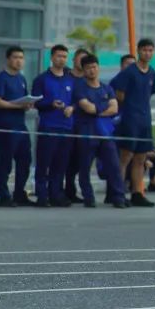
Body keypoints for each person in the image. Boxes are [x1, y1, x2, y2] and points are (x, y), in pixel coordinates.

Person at [73, 55, 127, 209]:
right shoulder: (79, 88)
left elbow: (114, 108)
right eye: (89, 68)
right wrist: (104, 109)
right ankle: (88, 197)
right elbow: (87, 108)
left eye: (95, 67)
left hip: (105, 133)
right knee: (85, 167)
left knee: (114, 166)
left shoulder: (106, 88)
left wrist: (98, 110)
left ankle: (118, 197)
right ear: (83, 70)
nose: (92, 70)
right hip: (87, 133)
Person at [111, 38, 155, 207]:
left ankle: (137, 192)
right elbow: (119, 94)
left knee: (141, 157)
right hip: (130, 119)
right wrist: (131, 108)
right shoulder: (129, 72)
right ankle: (118, 192)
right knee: (126, 156)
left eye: (150, 50)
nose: (147, 53)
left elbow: (149, 93)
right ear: (138, 51)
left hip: (145, 120)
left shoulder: (152, 73)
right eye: (144, 50)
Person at [32, 45, 76, 207]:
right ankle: (42, 195)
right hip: (49, 126)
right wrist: (50, 104)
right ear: (51, 57)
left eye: (64, 56)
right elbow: (35, 102)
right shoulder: (42, 79)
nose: (62, 59)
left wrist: (72, 108)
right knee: (44, 162)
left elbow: (77, 100)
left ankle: (56, 194)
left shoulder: (70, 79)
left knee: (60, 164)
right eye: (59, 56)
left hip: (67, 127)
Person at [0, 47, 36, 207]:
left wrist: (28, 104)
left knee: (25, 159)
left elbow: (22, 99)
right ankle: (4, 196)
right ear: (8, 59)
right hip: (6, 124)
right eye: (16, 57)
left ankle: (19, 193)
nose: (19, 61)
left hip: (20, 124)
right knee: (6, 161)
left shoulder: (21, 78)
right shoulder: (1, 78)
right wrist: (17, 106)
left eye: (21, 58)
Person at [62, 48, 89, 204]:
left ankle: (71, 190)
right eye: (81, 59)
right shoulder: (66, 77)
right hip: (66, 123)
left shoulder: (87, 81)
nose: (83, 63)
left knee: (77, 160)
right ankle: (59, 190)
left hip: (83, 124)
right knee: (64, 158)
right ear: (74, 60)